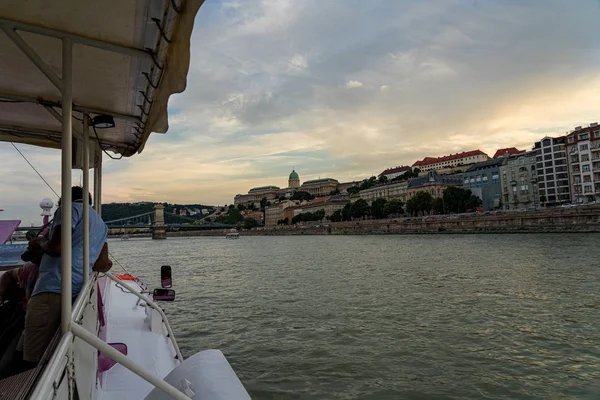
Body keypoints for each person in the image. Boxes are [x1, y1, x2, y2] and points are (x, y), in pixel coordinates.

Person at [21, 186, 109, 366]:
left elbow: (57, 248)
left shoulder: (68, 210)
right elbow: (102, 264)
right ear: (89, 201)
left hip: (52, 288)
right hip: (76, 291)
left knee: (33, 355)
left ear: (63, 201)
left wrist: (40, 242)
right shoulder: (101, 224)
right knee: (57, 351)